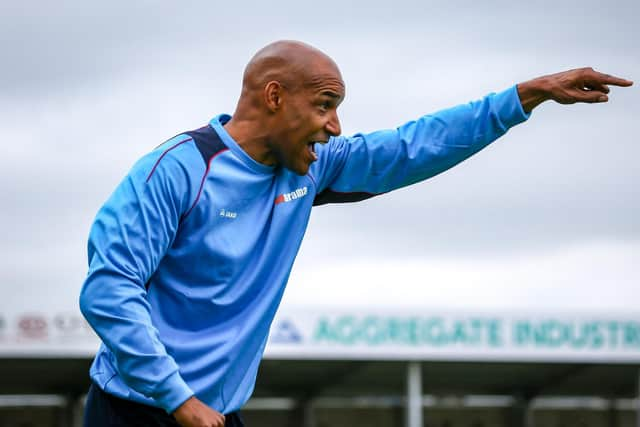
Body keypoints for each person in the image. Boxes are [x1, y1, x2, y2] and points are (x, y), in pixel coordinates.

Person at [79, 40, 632, 427]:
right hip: (135, 410)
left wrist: (523, 96)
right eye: (324, 106)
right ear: (274, 97)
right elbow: (108, 291)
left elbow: (413, 145)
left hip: (213, 413)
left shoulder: (311, 167)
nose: (335, 126)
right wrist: (178, 399)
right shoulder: (176, 170)